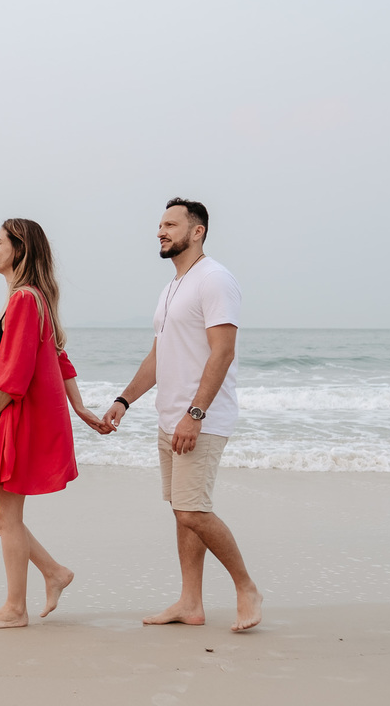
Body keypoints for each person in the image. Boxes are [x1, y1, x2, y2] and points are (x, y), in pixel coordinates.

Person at [101, 197, 263, 632]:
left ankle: (246, 588)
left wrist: (196, 414)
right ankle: (191, 603)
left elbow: (223, 351)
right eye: (159, 224)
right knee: (181, 509)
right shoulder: (172, 287)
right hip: (169, 417)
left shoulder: (215, 280)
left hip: (200, 419)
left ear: (198, 231)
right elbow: (160, 355)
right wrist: (124, 400)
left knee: (193, 511)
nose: (161, 231)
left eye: (171, 224)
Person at [0, 217, 107, 629]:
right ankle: (54, 571)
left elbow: (18, 372)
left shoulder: (26, 298)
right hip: (4, 416)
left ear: (19, 249)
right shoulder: (27, 297)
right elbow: (59, 356)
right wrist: (79, 407)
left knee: (6, 514)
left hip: (13, 414)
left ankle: (14, 609)